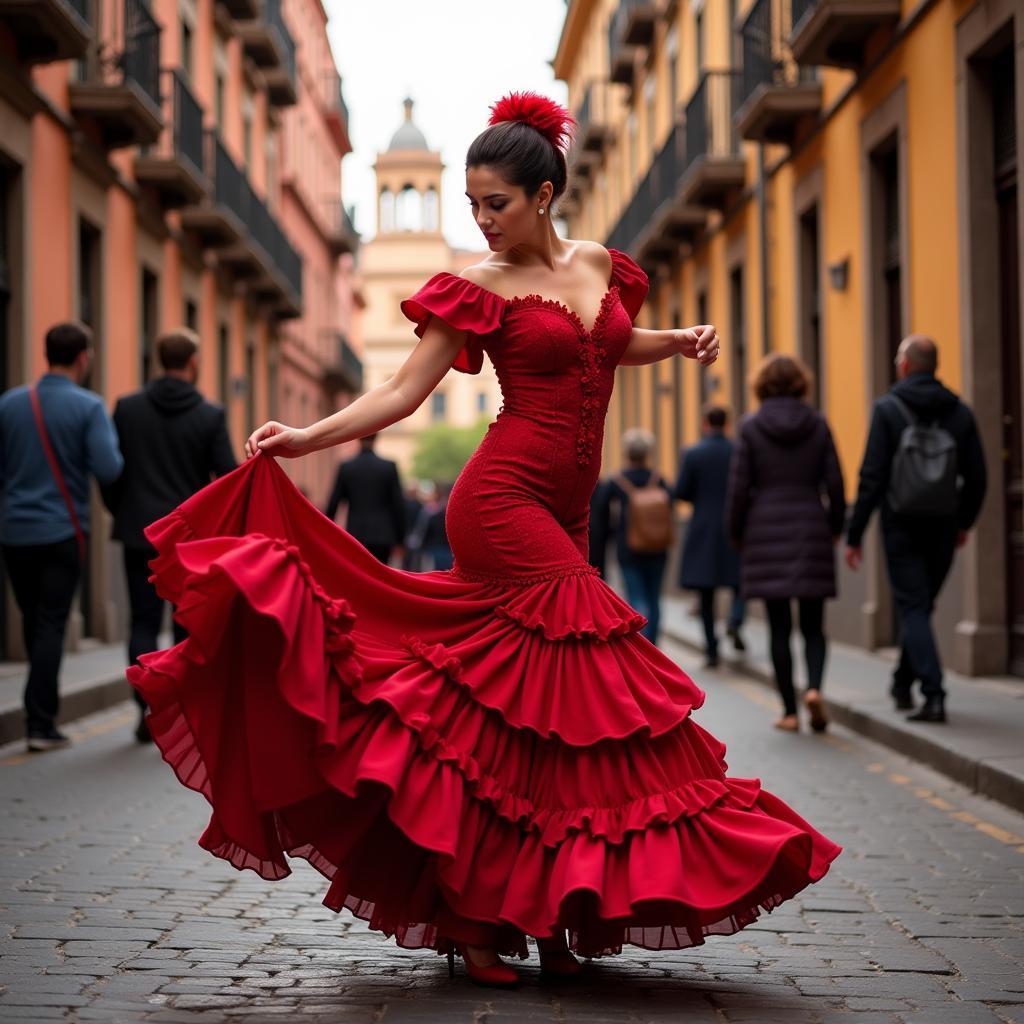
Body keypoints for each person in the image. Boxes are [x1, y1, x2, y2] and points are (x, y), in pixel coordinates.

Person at [127, 92, 838, 989]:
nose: (481, 221)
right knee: (591, 672)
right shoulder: (480, 289)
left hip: (570, 507)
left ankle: (519, 911)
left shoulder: (601, 269)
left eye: (494, 203)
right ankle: (496, 911)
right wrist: (308, 438)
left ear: (544, 194)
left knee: (536, 722)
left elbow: (612, 344)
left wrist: (679, 341)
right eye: (471, 205)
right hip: (501, 501)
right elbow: (400, 392)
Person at [845, 335, 986, 724]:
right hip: (943, 524)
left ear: (905, 365)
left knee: (913, 605)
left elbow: (871, 475)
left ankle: (934, 693)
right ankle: (903, 681)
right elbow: (978, 476)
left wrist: (854, 534)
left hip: (901, 524)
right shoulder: (960, 412)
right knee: (919, 606)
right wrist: (964, 522)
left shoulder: (888, 409)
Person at [104, 329, 236, 743]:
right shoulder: (210, 415)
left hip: (139, 531)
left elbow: (112, 474)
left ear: (159, 360)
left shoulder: (127, 409)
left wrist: (122, 511)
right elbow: (227, 478)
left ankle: (145, 709)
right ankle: (180, 711)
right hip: (189, 539)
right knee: (186, 625)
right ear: (193, 362)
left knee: (141, 623)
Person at [0, 321, 123, 751]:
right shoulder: (88, 407)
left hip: (13, 531)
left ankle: (39, 710)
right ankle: (41, 722)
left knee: (34, 620)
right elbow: (109, 468)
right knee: (52, 622)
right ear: (83, 358)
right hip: (62, 529)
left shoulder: (10, 404)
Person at [727, 354, 845, 733]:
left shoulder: (751, 426)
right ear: (800, 384)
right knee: (813, 625)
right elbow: (836, 483)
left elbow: (739, 487)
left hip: (765, 528)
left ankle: (790, 711)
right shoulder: (818, 423)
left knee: (779, 627)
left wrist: (737, 532)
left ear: (761, 385)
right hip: (810, 524)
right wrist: (835, 526)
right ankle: (813, 688)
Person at [675, 404, 745, 667]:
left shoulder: (693, 454)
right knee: (740, 581)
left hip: (704, 527)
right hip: (734, 525)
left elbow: (681, 491)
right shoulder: (737, 450)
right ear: (726, 424)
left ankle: (712, 649)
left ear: (705, 423)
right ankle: (735, 620)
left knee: (706, 593)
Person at [590, 429, 673, 645]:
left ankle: (643, 645)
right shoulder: (659, 479)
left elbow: (601, 511)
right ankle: (653, 643)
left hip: (629, 547)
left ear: (626, 453)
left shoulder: (617, 482)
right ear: (648, 453)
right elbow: (669, 506)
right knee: (655, 597)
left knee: (636, 597)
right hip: (657, 548)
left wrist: (612, 533)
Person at [325, 433, 406, 564]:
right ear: (376, 438)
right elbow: (398, 505)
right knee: (380, 577)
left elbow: (334, 503)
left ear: (358, 438)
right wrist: (401, 539)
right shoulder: (388, 467)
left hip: (355, 534)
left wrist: (327, 534)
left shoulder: (347, 467)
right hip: (383, 536)